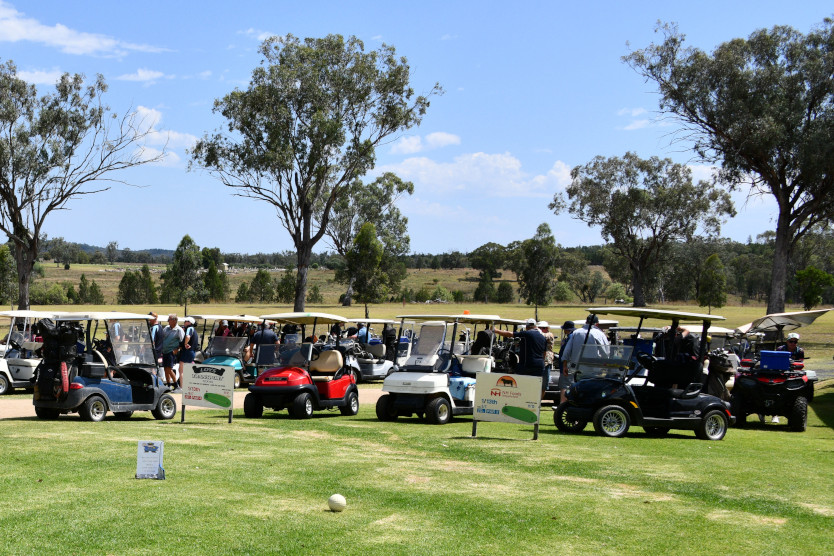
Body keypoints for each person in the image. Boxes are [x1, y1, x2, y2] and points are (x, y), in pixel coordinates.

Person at [561, 314, 610, 403]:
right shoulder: (599, 334)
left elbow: (567, 351)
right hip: (594, 370)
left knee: (577, 390)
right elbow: (606, 353)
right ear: (597, 324)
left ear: (586, 322)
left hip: (577, 369)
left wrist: (564, 365)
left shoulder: (576, 333)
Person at [493, 318, 547, 397]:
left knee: (520, 385)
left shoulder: (527, 334)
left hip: (527, 364)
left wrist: (496, 330)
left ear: (527, 326)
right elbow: (544, 353)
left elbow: (510, 334)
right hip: (539, 364)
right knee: (535, 387)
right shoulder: (542, 337)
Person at [160, 314, 184, 389]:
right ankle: (168, 384)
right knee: (165, 368)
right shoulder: (166, 328)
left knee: (169, 369)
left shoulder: (179, 330)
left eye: (169, 320)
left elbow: (182, 341)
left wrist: (177, 349)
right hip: (165, 351)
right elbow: (162, 337)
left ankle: (176, 385)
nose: (168, 321)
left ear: (174, 321)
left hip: (171, 351)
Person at [556, 321, 576, 404]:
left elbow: (566, 352)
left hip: (566, 365)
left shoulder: (570, 338)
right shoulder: (571, 337)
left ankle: (563, 404)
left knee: (564, 385)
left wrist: (564, 364)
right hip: (568, 364)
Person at [178, 316, 198, 389]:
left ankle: (182, 387)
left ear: (189, 322)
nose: (184, 322)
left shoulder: (190, 328)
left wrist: (185, 344)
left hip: (187, 352)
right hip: (191, 352)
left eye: (186, 321)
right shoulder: (193, 329)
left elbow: (188, 336)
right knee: (186, 371)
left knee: (181, 370)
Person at [538, 321, 556, 393]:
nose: (540, 329)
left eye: (542, 328)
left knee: (544, 382)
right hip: (540, 359)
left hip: (546, 360)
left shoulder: (549, 335)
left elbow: (544, 336)